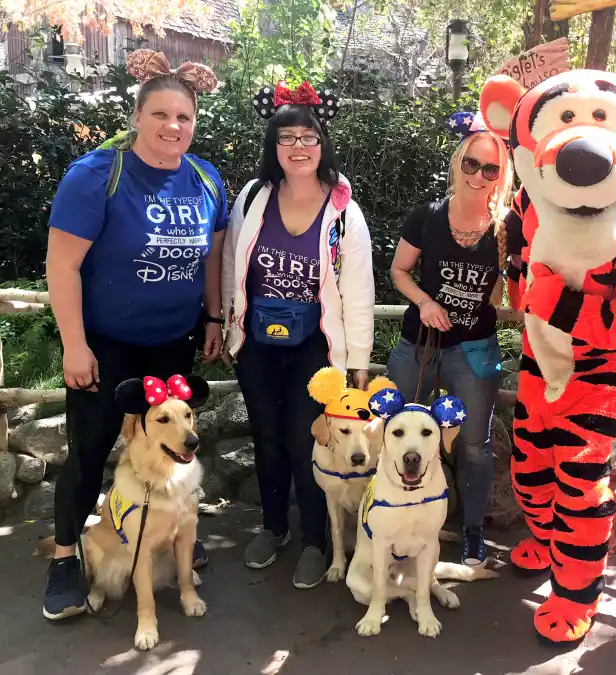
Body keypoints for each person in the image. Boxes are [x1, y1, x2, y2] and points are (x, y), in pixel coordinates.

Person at [43, 49, 228, 621]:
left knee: (168, 448)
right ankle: (67, 558)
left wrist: (214, 318)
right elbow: (62, 265)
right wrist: (75, 345)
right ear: (137, 117)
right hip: (107, 344)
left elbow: (212, 258)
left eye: (184, 117)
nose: (173, 127)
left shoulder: (205, 179)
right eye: (161, 115)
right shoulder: (97, 175)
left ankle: (170, 532)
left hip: (172, 342)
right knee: (90, 450)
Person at [221, 81, 375, 588]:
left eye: (308, 137)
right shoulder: (253, 197)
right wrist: (228, 325)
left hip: (317, 345)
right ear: (274, 146)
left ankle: (315, 539)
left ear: (322, 144)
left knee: (304, 438)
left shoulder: (343, 210)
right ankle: (273, 527)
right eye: (286, 137)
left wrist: (358, 361)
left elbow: (358, 289)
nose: (298, 146)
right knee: (266, 438)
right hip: (257, 342)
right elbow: (232, 264)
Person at [386, 111, 514, 566]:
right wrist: (424, 301)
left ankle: (472, 530)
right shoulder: (427, 217)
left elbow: (522, 285)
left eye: (491, 169)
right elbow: (399, 271)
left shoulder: (508, 227)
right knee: (396, 430)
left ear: (502, 176)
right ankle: (394, 518)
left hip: (474, 351)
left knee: (474, 444)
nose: (479, 176)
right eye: (472, 164)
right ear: (457, 162)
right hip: (418, 345)